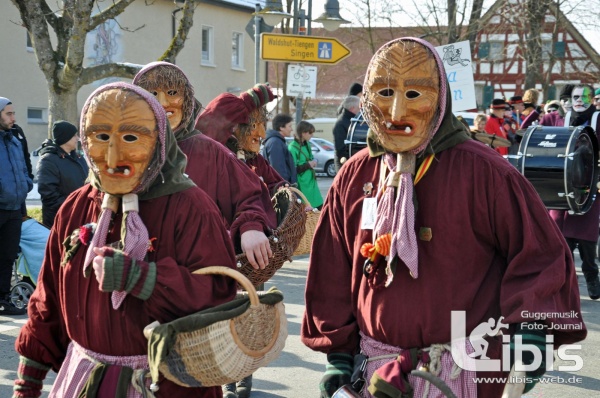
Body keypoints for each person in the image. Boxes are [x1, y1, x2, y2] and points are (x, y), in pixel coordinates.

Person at [301, 37, 586, 398]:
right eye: (385, 92)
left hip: (462, 373)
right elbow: (332, 267)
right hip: (376, 374)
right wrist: (337, 356)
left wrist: (529, 340)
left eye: (415, 94)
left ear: (441, 98)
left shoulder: (487, 173)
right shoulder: (355, 175)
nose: (397, 111)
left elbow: (540, 257)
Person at [13, 82, 237, 398]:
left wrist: (143, 279)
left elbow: (220, 297)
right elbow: (47, 299)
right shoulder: (76, 207)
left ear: (160, 140)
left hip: (168, 387)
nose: (113, 155)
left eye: (131, 138)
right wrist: (27, 383)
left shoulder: (191, 208)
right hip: (85, 381)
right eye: (101, 137)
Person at [133, 61, 274, 269]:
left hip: (196, 272)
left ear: (187, 100)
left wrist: (250, 226)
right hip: (134, 273)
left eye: (172, 92)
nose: (163, 103)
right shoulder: (124, 149)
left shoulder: (211, 152)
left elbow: (247, 194)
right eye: (153, 94)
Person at [547, 83, 600, 301]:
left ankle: (591, 276)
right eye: (576, 96)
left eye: (584, 97)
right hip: (564, 188)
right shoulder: (561, 120)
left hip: (590, 187)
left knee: (587, 241)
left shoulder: (599, 119)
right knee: (561, 240)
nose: (579, 100)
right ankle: (561, 286)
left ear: (592, 99)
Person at [196, 83, 286, 196]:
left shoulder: (255, 160)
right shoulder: (217, 160)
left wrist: (284, 194)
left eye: (263, 125)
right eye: (254, 126)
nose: (262, 135)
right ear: (234, 127)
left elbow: (276, 183)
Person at [0, 97, 32, 316]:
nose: (14, 118)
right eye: (9, 114)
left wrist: (25, 190)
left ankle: (2, 299)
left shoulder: (15, 139)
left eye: (13, 113)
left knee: (7, 256)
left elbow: (24, 170)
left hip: (13, 210)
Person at [36, 121, 89, 228]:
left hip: (81, 216)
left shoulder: (78, 158)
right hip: (62, 220)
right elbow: (49, 195)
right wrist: (74, 205)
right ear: (66, 138)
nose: (78, 138)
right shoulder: (48, 161)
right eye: (74, 135)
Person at [288, 121, 324, 209]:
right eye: (310, 133)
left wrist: (313, 161)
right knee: (308, 207)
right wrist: (308, 165)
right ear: (303, 133)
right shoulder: (292, 147)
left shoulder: (307, 144)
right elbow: (293, 169)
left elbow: (310, 158)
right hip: (303, 183)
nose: (312, 135)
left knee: (319, 206)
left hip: (311, 181)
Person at [261, 113, 297, 184]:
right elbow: (278, 169)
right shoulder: (275, 143)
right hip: (282, 187)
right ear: (281, 128)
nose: (292, 129)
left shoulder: (277, 141)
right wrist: (285, 185)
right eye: (289, 126)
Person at [333, 95, 361, 171]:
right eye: (359, 108)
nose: (361, 111)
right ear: (352, 109)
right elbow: (340, 149)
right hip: (345, 166)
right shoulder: (341, 124)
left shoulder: (352, 121)